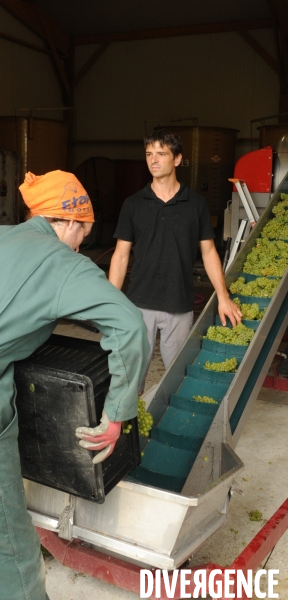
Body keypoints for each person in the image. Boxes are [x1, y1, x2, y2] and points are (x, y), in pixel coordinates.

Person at [0, 170, 149, 600]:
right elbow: (129, 327)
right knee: (11, 548)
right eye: (82, 232)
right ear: (68, 222)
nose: (81, 243)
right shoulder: (61, 261)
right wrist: (117, 414)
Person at [109, 129, 242, 394]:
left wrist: (223, 296)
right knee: (129, 382)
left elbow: (209, 253)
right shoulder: (133, 204)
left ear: (177, 159)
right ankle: (129, 433)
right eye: (149, 154)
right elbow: (121, 256)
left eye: (161, 154)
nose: (153, 160)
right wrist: (111, 304)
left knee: (179, 381)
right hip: (138, 305)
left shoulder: (196, 204)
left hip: (179, 305)